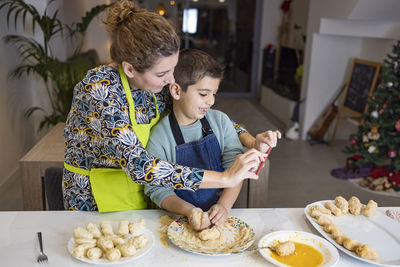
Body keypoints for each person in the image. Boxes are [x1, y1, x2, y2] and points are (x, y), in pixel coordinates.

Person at [62, 0, 277, 212]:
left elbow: (212, 117)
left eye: (172, 68)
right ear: (129, 69)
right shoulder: (100, 89)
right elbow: (139, 166)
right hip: (95, 199)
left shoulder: (158, 84)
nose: (171, 79)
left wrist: (251, 140)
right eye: (162, 73)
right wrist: (225, 178)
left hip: (140, 194)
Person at [144, 49, 281, 230]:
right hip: (178, 221)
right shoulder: (160, 137)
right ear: (176, 90)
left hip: (222, 217)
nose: (210, 101)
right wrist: (190, 211)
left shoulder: (220, 121)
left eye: (214, 93)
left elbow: (234, 170)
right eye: (203, 94)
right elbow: (157, 189)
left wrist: (224, 206)